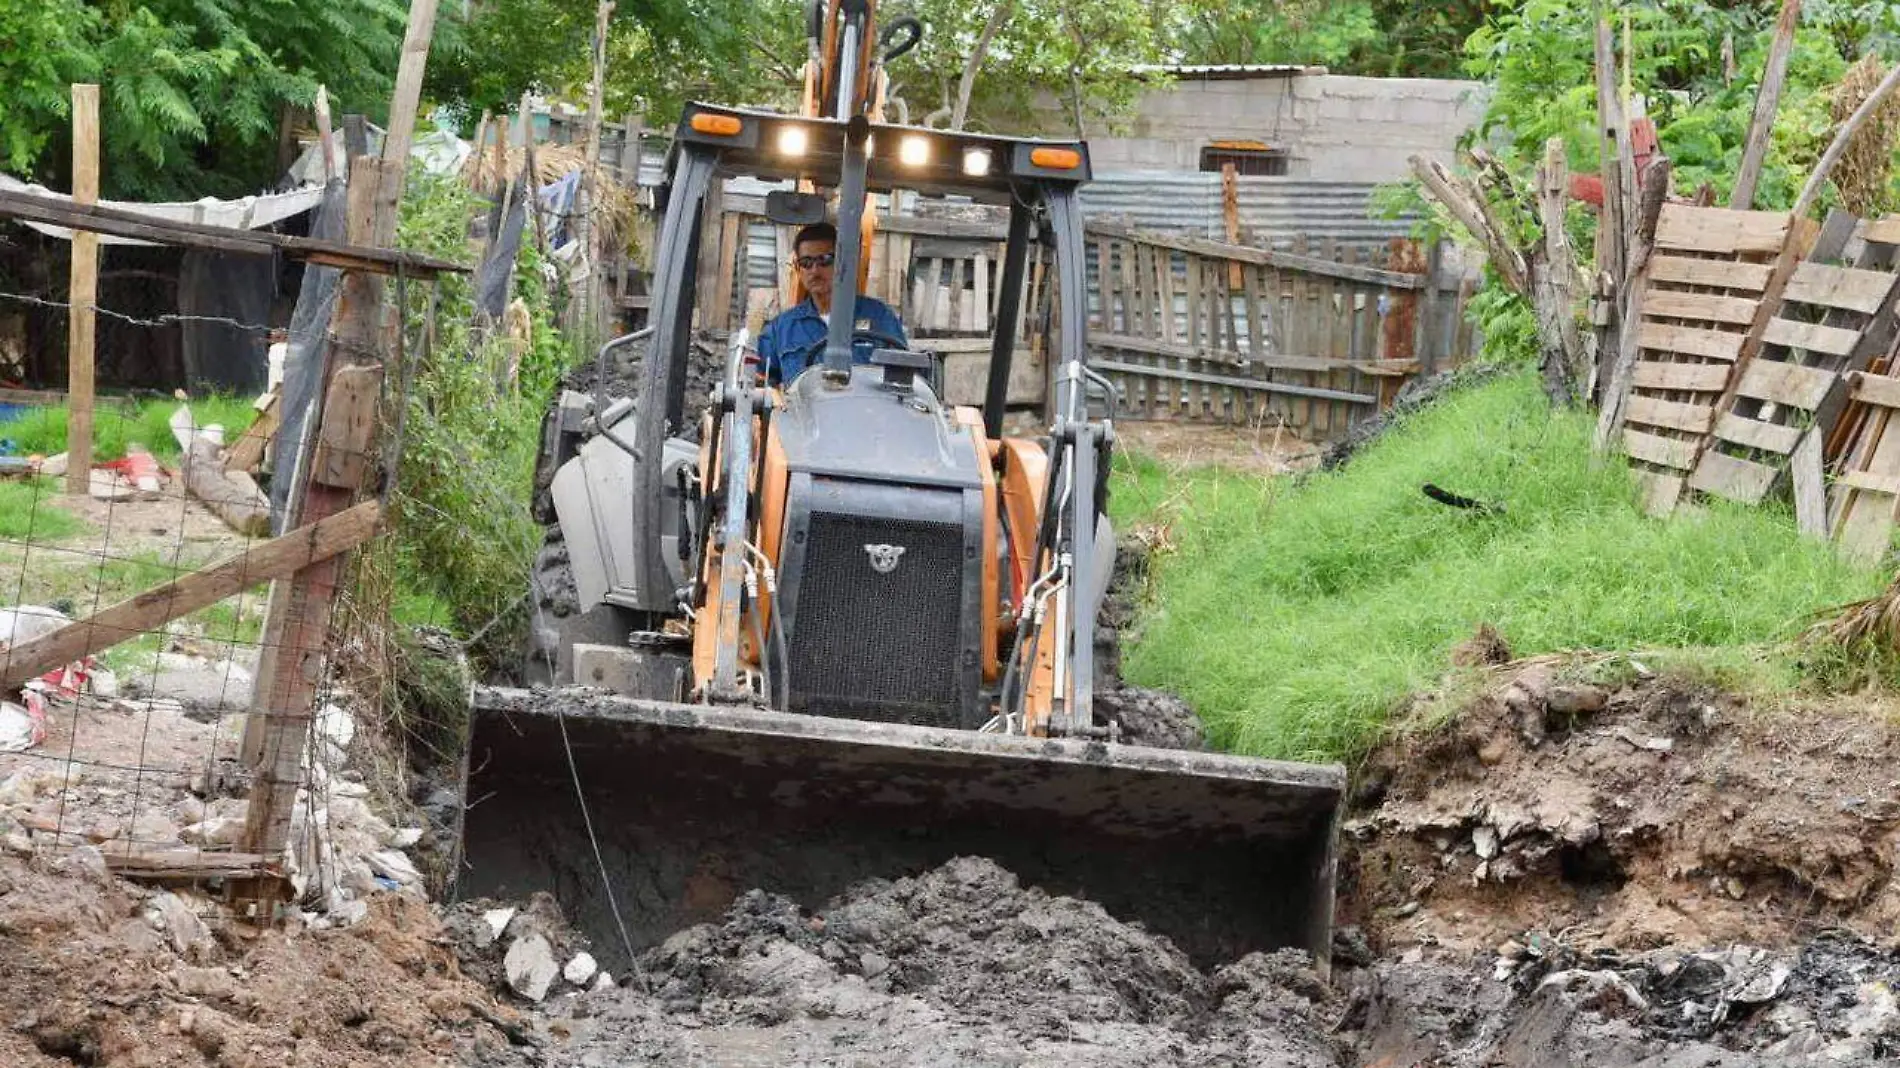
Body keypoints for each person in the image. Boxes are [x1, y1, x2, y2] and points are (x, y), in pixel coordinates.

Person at [755, 221, 908, 386]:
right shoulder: (781, 329)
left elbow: (903, 379)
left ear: (843, 263)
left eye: (825, 260)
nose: (815, 271)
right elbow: (764, 386)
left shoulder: (880, 318)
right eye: (806, 263)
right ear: (798, 269)